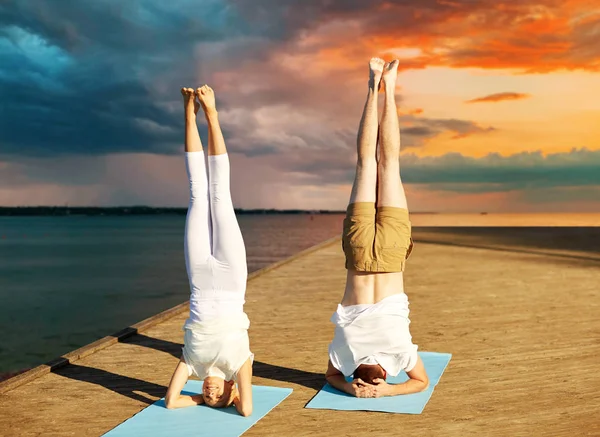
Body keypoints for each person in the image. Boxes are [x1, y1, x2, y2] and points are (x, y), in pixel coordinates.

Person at [325, 58, 429, 398]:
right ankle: (375, 85)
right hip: (359, 254)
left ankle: (386, 85)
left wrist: (384, 391)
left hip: (388, 252)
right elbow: (331, 378)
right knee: (369, 162)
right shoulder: (344, 357)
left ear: (382, 374)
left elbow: (419, 382)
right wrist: (361, 390)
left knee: (387, 163)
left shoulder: (399, 357)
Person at [164, 85, 253, 416]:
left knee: (197, 195)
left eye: (207, 397)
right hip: (231, 283)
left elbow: (172, 402)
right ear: (232, 391)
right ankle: (212, 115)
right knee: (220, 196)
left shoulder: (193, 364)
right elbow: (246, 412)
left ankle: (188, 114)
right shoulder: (239, 364)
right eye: (219, 397)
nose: (211, 393)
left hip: (200, 283)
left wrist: (200, 401)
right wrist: (234, 400)